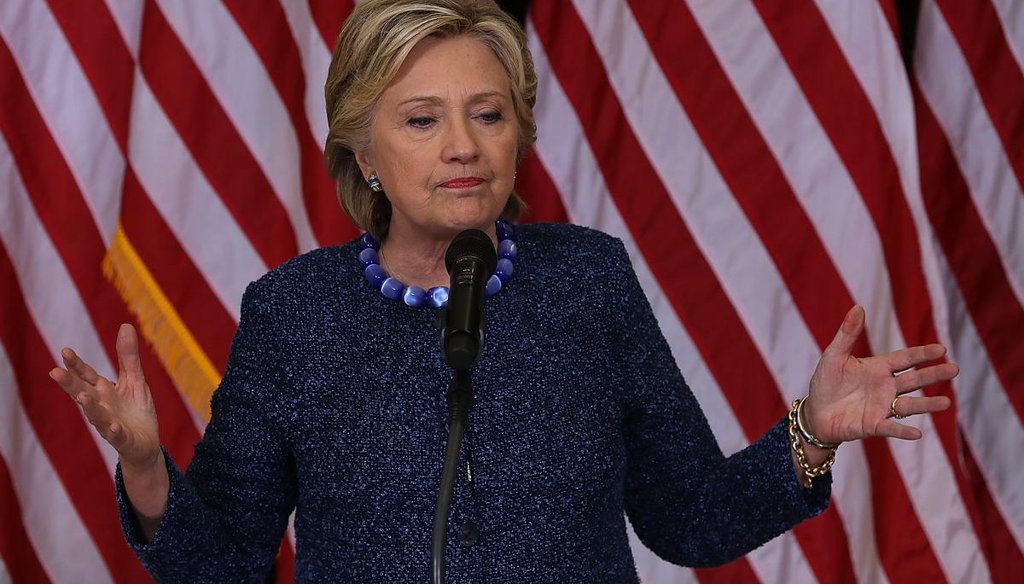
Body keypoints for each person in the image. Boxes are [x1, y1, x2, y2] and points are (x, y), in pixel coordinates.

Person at [49, 0, 957, 581]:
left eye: (488, 114)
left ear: (518, 132)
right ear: (364, 152)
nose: (463, 146)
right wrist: (142, 469)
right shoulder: (293, 314)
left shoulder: (587, 280)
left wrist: (811, 432)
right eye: (421, 119)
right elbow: (228, 562)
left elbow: (688, 518)